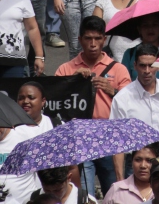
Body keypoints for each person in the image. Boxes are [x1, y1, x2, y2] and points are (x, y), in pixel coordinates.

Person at [55, 16, 132, 196]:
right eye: (88, 38)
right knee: (83, 194)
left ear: (104, 39)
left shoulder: (119, 69)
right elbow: (55, 103)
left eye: (98, 38)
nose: (93, 43)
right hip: (79, 139)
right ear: (80, 40)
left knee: (114, 193)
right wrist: (73, 81)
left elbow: (131, 105)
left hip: (109, 138)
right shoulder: (65, 69)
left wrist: (112, 91)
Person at [109, 43, 159, 136]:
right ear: (135, 66)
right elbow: (116, 136)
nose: (147, 71)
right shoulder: (121, 99)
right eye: (142, 65)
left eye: (151, 66)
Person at [120, 15, 159, 84]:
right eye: (145, 25)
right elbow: (124, 82)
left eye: (154, 25)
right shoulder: (130, 54)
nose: (150, 29)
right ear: (139, 29)